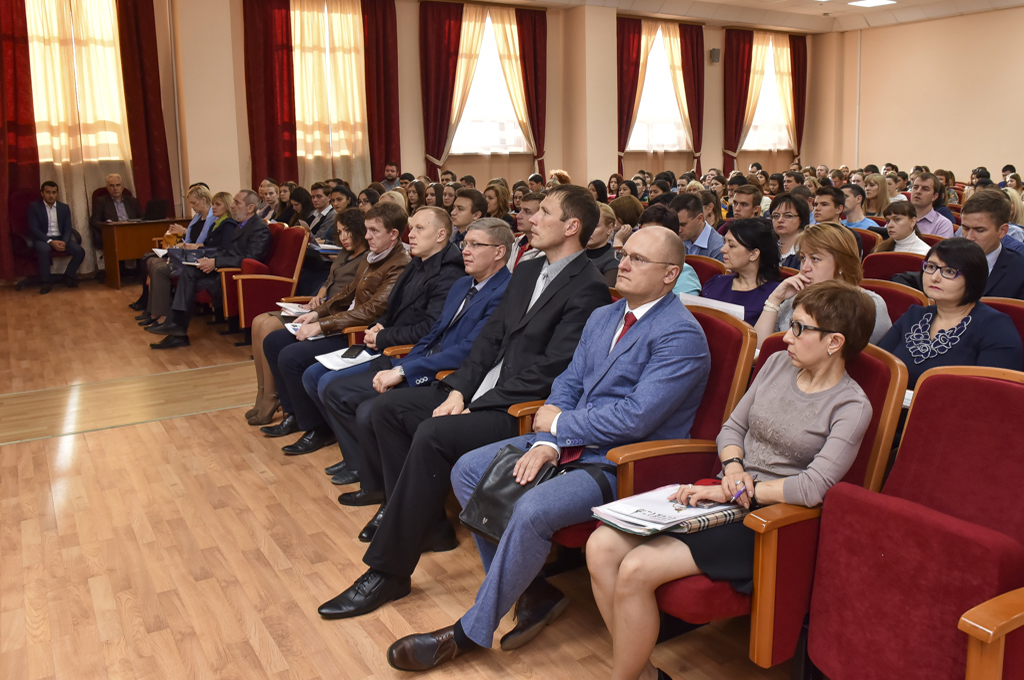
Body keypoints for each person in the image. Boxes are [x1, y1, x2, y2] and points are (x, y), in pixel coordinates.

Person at [384, 228, 712, 671]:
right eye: (623, 254)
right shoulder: (605, 315)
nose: (623, 264)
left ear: (671, 274)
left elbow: (636, 418)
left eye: (638, 259)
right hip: (570, 439)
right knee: (467, 470)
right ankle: (531, 588)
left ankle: (469, 631)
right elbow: (568, 383)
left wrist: (558, 427)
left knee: (531, 508)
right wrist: (548, 441)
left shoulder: (680, 335)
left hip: (626, 461)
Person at [316, 184, 612, 620]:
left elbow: (554, 367)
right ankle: (429, 523)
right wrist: (459, 390)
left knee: (433, 433)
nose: (531, 219)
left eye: (544, 213)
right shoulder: (529, 268)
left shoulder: (588, 287)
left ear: (571, 226)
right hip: (480, 390)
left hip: (517, 408)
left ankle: (388, 571)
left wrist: (481, 400)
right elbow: (489, 338)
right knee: (388, 409)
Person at [588, 280, 875, 680]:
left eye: (799, 328)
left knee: (636, 568)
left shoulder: (851, 405)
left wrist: (741, 490)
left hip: (770, 521)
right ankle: (645, 675)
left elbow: (813, 487)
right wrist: (735, 469)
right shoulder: (777, 363)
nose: (786, 336)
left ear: (834, 342)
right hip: (725, 491)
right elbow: (732, 429)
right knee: (600, 545)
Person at [317, 219, 513, 489]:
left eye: (475, 245)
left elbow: (469, 350)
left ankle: (381, 488)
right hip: (421, 364)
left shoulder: (506, 291)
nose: (465, 250)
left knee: (368, 410)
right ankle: (369, 475)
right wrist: (404, 366)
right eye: (465, 243)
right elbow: (433, 334)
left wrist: (404, 370)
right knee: (338, 390)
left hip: (450, 377)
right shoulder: (462, 284)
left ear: (499, 252)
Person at [262, 206, 466, 446]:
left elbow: (427, 329)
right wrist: (376, 325)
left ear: (441, 235)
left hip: (398, 350)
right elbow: (387, 308)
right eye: (412, 228)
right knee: (300, 363)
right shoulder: (414, 262)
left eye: (419, 229)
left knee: (319, 378)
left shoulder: (440, 272)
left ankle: (349, 447)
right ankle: (330, 435)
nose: (411, 234)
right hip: (381, 338)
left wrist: (379, 334)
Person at [246, 208, 369, 425]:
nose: (343, 237)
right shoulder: (343, 253)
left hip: (334, 314)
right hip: (320, 306)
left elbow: (349, 296)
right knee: (258, 322)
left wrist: (321, 307)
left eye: (348, 231)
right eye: (340, 232)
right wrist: (317, 298)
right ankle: (263, 391)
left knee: (267, 328)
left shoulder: (366, 259)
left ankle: (272, 397)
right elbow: (328, 282)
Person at [879, 239, 1023, 388]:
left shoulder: (996, 328)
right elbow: (880, 368)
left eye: (949, 271)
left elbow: (992, 393)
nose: (934, 277)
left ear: (973, 278)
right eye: (931, 267)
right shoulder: (914, 315)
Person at [148, 190, 271, 349]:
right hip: (225, 271)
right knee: (189, 271)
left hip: (236, 277)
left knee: (188, 284)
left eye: (237, 202)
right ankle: (176, 329)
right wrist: (207, 259)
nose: (232, 205)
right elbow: (226, 251)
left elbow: (252, 259)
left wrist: (216, 262)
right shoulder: (242, 225)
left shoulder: (259, 228)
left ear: (250, 208)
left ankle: (177, 329)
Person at [755, 222, 891, 348]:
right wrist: (775, 299)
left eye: (815, 259)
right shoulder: (797, 295)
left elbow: (859, 361)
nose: (805, 268)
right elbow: (759, 348)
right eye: (803, 258)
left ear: (842, 264)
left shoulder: (869, 305)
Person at [137, 185, 218, 326]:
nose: (192, 206)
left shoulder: (213, 220)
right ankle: (153, 312)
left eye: (194, 203)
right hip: (188, 253)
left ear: (204, 200)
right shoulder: (197, 218)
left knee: (159, 269)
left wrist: (190, 246)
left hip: (197, 257)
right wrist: (181, 245)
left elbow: (207, 243)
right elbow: (190, 240)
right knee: (152, 263)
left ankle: (162, 314)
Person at [702, 218, 782, 325]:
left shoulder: (775, 294)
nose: (723, 250)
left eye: (732, 246)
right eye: (724, 243)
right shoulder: (715, 283)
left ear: (754, 254)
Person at [957, 191, 1024, 299]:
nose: (969, 237)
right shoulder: (945, 259)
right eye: (965, 228)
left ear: (1002, 231)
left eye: (979, 230)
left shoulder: (1020, 270)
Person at [27, 180, 85, 294]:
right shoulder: (34, 207)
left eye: (54, 192)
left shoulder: (64, 208)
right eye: (48, 192)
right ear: (42, 193)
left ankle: (68, 276)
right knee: (44, 250)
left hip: (60, 238)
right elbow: (34, 229)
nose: (51, 195)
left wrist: (64, 242)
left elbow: (68, 228)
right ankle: (45, 282)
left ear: (57, 193)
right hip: (43, 238)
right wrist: (50, 241)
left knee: (79, 251)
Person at [671, 192, 724, 262]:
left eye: (683, 224)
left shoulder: (718, 249)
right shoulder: (676, 239)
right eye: (675, 224)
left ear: (700, 219)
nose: (679, 230)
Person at [814, 187, 864, 254]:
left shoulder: (851, 237)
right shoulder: (809, 234)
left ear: (839, 209)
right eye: (815, 205)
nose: (817, 208)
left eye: (824, 204)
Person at [769, 192, 810, 268]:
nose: (780, 220)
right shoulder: (767, 247)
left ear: (801, 219)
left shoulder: (808, 251)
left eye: (788, 216)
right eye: (776, 216)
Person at [508, 192, 545, 272]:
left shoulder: (545, 251)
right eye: (520, 210)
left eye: (527, 212)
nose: (518, 216)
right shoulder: (516, 242)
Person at [910, 173, 955, 238]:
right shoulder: (899, 217)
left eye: (925, 189)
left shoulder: (943, 224)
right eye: (915, 187)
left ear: (934, 196)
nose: (918, 191)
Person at [587, 204, 621, 286]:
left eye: (595, 226)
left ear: (609, 228)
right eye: (585, 225)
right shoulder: (575, 254)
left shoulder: (615, 259)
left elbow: (605, 291)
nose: (588, 230)